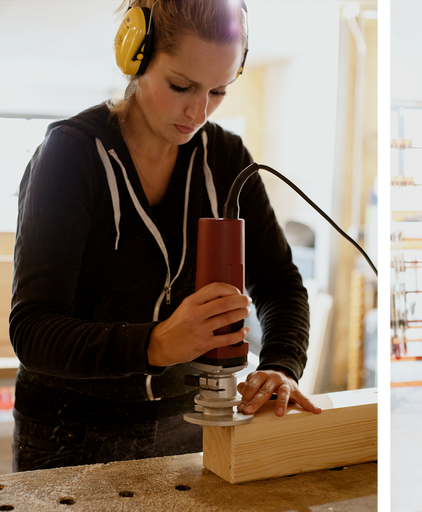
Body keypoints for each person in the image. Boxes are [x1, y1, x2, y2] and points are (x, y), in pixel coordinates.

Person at [10, 0, 320, 472]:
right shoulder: (70, 155)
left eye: (218, 91)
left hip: (188, 420)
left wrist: (280, 364)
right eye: (181, 86)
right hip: (68, 429)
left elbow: (279, 283)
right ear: (136, 57)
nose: (198, 111)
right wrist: (156, 343)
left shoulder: (227, 158)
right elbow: (32, 331)